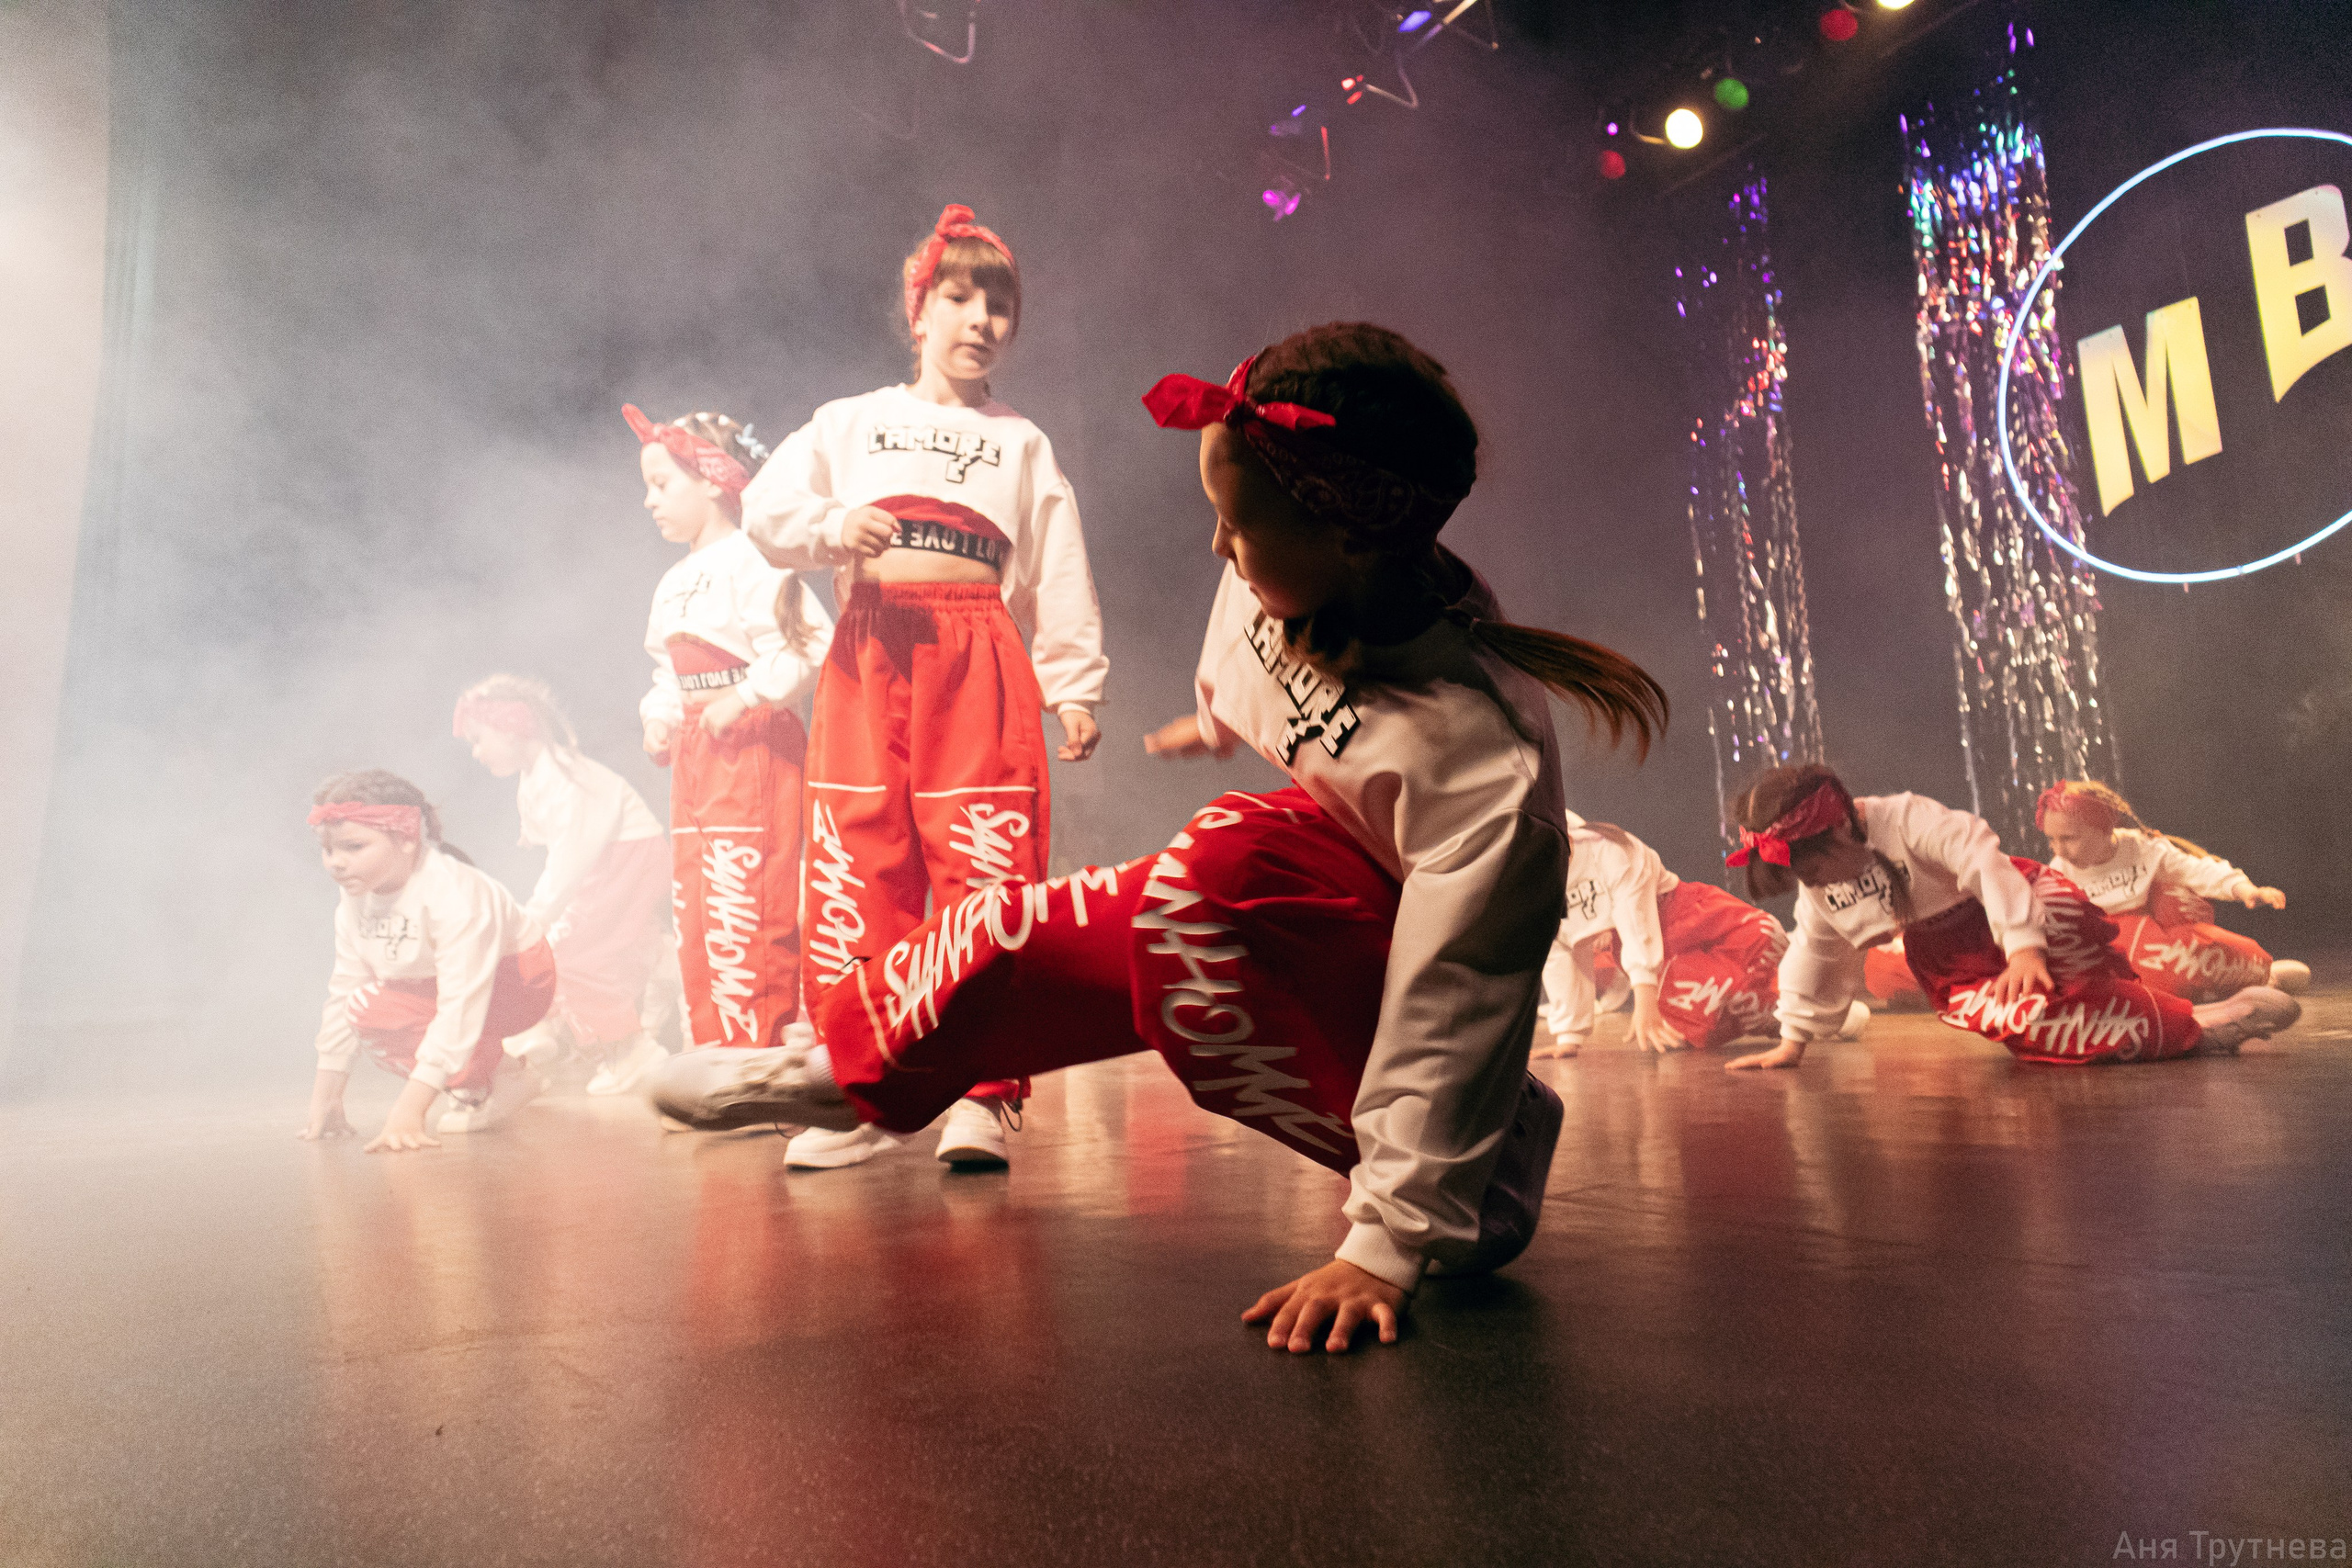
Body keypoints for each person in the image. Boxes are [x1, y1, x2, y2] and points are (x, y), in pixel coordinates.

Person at [655, 321, 1669, 1353]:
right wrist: (1222, 718)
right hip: (1323, 872)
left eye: (1237, 524)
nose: (1217, 548)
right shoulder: (1291, 563)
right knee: (1046, 921)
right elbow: (1266, 646)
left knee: (1208, 877)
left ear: (1349, 537)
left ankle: (1482, 1164)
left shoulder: (1481, 767)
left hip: (1458, 1159)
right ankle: (842, 1072)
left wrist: (1389, 1241)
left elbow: (1452, 1004)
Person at [735, 203, 1107, 1171]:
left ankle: (980, 1093)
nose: (981, 320)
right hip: (870, 652)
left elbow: (1055, 560)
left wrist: (1074, 680)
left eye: (999, 305)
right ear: (920, 311)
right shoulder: (853, 421)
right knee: (861, 862)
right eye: (960, 297)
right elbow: (768, 509)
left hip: (976, 652)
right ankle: (861, 1090)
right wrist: (833, 526)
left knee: (980, 864)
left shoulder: (1019, 441)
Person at [1720, 765, 2299, 1073]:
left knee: (2071, 927)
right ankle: (2198, 1027)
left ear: (1841, 828)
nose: (1820, 886)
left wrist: (2022, 946)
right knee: (2041, 1025)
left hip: (2012, 901)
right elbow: (1815, 950)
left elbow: (1979, 859)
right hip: (1951, 961)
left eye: (1818, 869)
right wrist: (1792, 1040)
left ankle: (2171, 1004)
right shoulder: (1823, 886)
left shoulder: (1906, 817)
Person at [630, 405, 834, 1070]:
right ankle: (711, 1043)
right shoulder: (671, 581)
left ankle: (762, 1046)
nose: (650, 500)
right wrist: (660, 715)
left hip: (752, 746)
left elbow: (809, 647)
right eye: (648, 486)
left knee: (750, 888)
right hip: (696, 751)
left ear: (713, 480)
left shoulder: (756, 558)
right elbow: (668, 668)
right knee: (696, 891)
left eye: (663, 484)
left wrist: (744, 698)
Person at [302, 771, 556, 1152]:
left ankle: (487, 1080)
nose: (336, 862)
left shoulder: (454, 893)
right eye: (329, 850)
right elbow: (345, 990)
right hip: (435, 980)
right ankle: (503, 1074)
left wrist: (410, 1110)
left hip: (516, 982)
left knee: (384, 1007)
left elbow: (461, 1002)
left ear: (406, 839)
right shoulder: (357, 895)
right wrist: (326, 1098)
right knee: (366, 1007)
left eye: (353, 847)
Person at [455, 674, 677, 1094]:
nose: (477, 752)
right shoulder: (539, 777)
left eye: (479, 739)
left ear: (512, 730)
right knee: (560, 950)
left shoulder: (565, 777)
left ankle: (629, 1048)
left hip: (625, 860)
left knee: (567, 958)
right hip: (608, 865)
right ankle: (544, 1033)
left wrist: (534, 917)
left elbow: (570, 859)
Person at [1536, 816, 1796, 1057]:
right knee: (1710, 1015)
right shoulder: (1533, 884)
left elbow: (1637, 919)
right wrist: (1568, 1036)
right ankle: (1782, 1018)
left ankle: (1801, 1009)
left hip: (1684, 916)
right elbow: (1559, 949)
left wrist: (1646, 996)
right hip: (1653, 955)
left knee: (1764, 941)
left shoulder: (1609, 850)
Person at [2036, 780, 2305, 1003]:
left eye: (2069, 838)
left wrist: (2245, 889)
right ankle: (2195, 1001)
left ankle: (2256, 979)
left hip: (2160, 941)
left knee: (2172, 908)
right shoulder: (2060, 869)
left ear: (2103, 828)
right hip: (2109, 952)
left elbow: (2195, 869)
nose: (2059, 850)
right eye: (2051, 839)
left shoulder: (2141, 849)